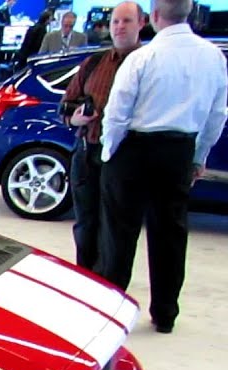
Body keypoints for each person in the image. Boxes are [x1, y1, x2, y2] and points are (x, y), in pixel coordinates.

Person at [98, 0, 228, 333]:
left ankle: (112, 311)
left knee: (119, 233)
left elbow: (117, 112)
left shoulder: (143, 57)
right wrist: (198, 157)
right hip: (179, 149)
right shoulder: (213, 57)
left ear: (153, 17)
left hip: (135, 149)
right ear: (191, 13)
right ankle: (165, 314)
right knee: (170, 234)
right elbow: (217, 116)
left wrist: (109, 152)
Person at [59, 2, 145, 272]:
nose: (119, 27)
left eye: (127, 21)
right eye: (115, 21)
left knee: (116, 229)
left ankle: (110, 288)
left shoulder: (148, 65)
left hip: (124, 156)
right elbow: (66, 105)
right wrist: (75, 118)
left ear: (142, 23)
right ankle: (85, 280)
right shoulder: (94, 63)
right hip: (87, 152)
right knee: (85, 225)